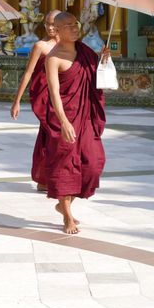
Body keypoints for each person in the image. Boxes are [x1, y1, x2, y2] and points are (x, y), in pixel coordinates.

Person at [45, 12, 109, 235]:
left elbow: (97, 80)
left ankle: (64, 204)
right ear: (58, 30)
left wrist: (104, 61)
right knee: (65, 165)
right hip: (66, 118)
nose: (74, 28)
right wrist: (63, 121)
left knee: (93, 164)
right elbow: (53, 93)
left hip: (86, 118)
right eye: (69, 26)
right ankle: (67, 216)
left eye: (76, 24)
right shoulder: (53, 58)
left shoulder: (86, 52)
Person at [10, 10, 60, 191]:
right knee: (50, 135)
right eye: (47, 23)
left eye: (54, 23)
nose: (50, 27)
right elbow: (29, 73)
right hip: (45, 97)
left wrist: (104, 57)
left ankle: (55, 177)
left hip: (64, 96)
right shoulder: (41, 46)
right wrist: (17, 101)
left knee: (60, 137)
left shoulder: (69, 46)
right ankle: (45, 178)